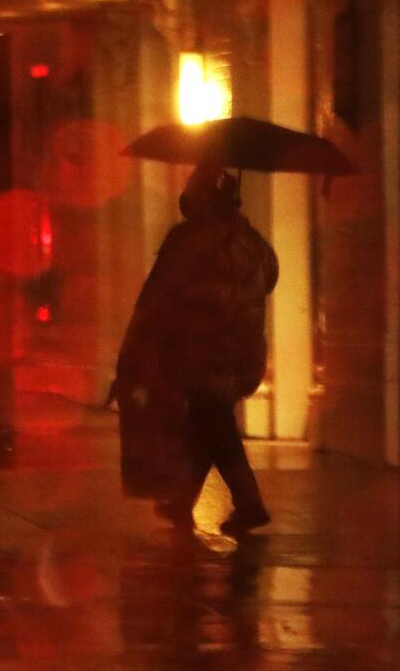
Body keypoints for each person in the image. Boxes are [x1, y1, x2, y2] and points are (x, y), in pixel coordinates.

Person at [114, 164, 280, 535]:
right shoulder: (253, 243)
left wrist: (133, 354)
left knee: (214, 423)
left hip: (200, 354)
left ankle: (249, 502)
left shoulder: (188, 241)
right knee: (208, 422)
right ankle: (183, 501)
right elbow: (269, 279)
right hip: (243, 354)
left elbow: (154, 299)